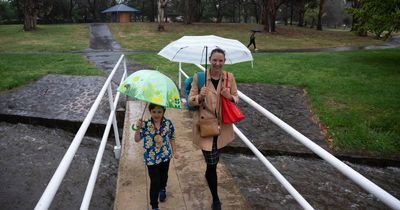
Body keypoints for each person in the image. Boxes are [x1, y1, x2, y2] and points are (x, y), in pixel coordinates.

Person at [188, 48, 239, 210]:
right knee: (211, 163)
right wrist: (199, 97)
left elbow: (236, 98)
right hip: (205, 127)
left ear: (224, 61)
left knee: (214, 162)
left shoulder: (229, 77)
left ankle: (209, 175)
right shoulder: (199, 77)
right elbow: (190, 101)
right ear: (209, 59)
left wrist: (228, 95)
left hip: (222, 127)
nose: (217, 63)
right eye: (214, 60)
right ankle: (216, 199)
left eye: (221, 60)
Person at [134, 103, 179, 210]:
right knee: (154, 182)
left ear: (163, 112)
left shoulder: (168, 123)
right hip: (151, 158)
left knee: (164, 177)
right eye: (154, 111)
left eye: (159, 111)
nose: (156, 114)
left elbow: (172, 137)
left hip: (165, 155)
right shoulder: (145, 124)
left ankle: (163, 189)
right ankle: (154, 206)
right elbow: (136, 139)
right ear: (150, 112)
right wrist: (137, 128)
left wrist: (174, 151)